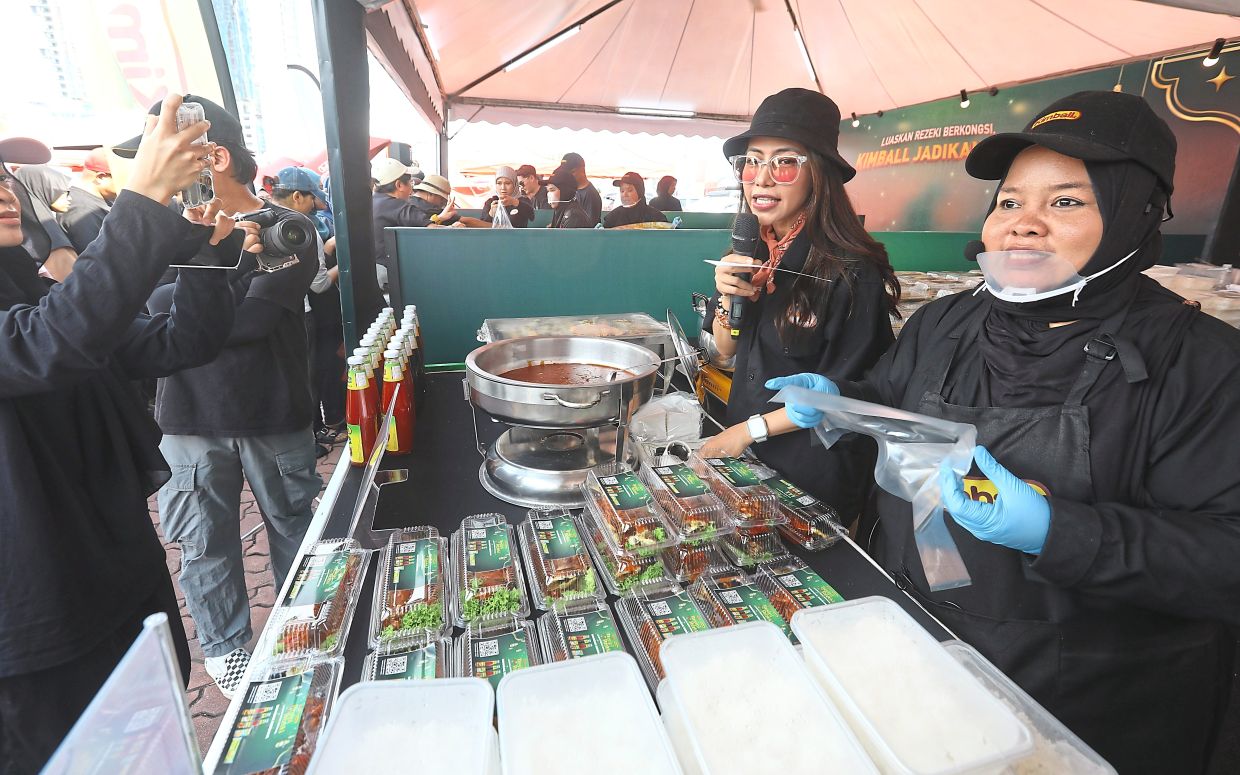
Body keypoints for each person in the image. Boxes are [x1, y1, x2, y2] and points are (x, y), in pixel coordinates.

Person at [775, 91, 1240, 773]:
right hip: (918, 652)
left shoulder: (1201, 363)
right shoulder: (946, 322)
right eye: (1010, 201)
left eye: (1066, 202)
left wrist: (1056, 529)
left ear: (1137, 211)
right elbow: (892, 405)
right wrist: (844, 405)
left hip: (1087, 702)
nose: (1024, 225)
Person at [0, 98, 263, 773]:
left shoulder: (25, 287)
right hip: (38, 627)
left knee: (162, 745)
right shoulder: (42, 313)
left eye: (2, 173)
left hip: (118, 577)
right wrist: (142, 200)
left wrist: (209, 253)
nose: (4, 188)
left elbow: (180, 340)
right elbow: (54, 342)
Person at [137, 96, 322, 701]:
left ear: (212, 155)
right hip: (188, 419)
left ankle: (309, 636)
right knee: (200, 547)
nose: (150, 164)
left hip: (272, 413)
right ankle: (229, 656)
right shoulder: (151, 227)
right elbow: (146, 313)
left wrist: (189, 296)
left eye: (165, 146)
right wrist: (209, 271)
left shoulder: (287, 228)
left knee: (297, 534)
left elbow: (248, 325)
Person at [698, 88, 899, 524]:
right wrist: (728, 300)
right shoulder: (751, 249)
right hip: (747, 453)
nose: (761, 178)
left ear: (819, 174)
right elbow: (727, 350)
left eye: (784, 162)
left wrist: (748, 431)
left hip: (813, 469)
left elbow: (851, 392)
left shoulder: (852, 272)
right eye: (751, 161)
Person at [269, 166, 339, 456]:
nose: (314, 204)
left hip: (268, 314)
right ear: (297, 196)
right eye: (312, 198)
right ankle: (309, 435)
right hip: (301, 311)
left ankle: (310, 431)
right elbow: (320, 284)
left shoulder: (260, 218)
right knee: (305, 376)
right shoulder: (302, 224)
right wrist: (345, 269)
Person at [371, 159, 457, 287]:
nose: (412, 189)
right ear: (399, 185)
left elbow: (415, 224)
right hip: (389, 276)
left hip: (373, 272)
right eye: (410, 183)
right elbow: (433, 231)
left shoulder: (373, 202)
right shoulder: (398, 206)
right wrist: (453, 228)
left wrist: (440, 218)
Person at [11, 163, 76, 280]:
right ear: (42, 188)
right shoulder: (47, 235)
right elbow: (73, 282)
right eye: (64, 192)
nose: (69, 198)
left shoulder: (19, 229)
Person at [60, 147, 120, 253]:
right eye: (122, 178)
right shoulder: (81, 210)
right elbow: (98, 257)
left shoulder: (105, 198)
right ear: (101, 177)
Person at [603, 171, 668, 228]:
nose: (624, 195)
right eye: (622, 191)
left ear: (640, 192)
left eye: (629, 190)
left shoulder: (657, 218)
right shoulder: (612, 218)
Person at [557, 152, 601, 224]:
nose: (568, 176)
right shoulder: (571, 191)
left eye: (572, 172)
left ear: (582, 169)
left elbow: (589, 227)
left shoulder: (590, 195)